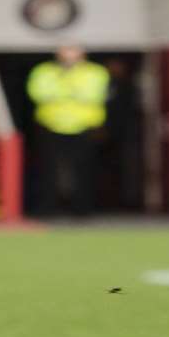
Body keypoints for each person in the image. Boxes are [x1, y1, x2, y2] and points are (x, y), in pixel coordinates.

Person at [26, 44, 111, 218]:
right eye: (65, 50)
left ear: (83, 53)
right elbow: (38, 93)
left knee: (84, 170)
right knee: (47, 170)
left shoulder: (96, 72)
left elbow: (94, 95)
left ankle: (83, 210)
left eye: (73, 50)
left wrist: (60, 90)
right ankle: (47, 209)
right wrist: (72, 92)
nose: (68, 55)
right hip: (50, 126)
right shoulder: (43, 71)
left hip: (85, 127)